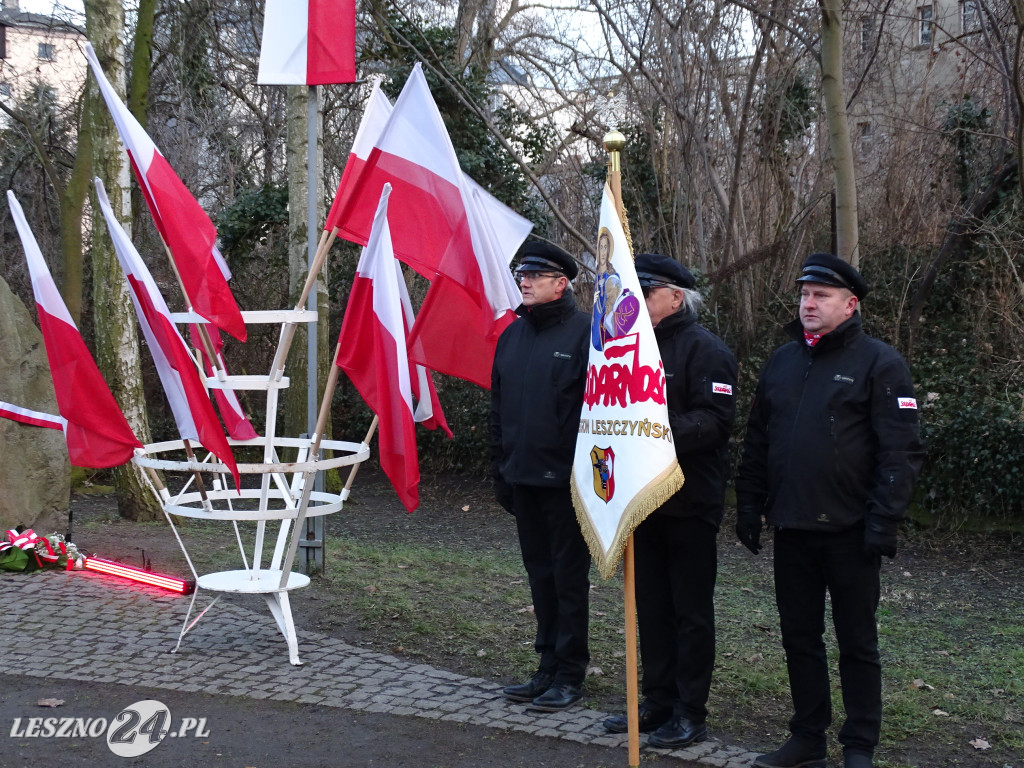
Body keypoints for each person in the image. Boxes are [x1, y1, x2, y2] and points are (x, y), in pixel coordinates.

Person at [734, 253, 925, 768]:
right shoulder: (782, 361)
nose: (808, 303)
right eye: (803, 294)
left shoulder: (880, 364)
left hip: (850, 532)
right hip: (792, 527)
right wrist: (749, 504)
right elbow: (757, 441)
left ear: (850, 304)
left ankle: (859, 744)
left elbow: (900, 453)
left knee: (857, 643)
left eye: (820, 295)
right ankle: (807, 737)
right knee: (800, 638)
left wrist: (883, 521)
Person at [601, 254, 738, 748]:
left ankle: (689, 710)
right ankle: (656, 701)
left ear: (675, 297)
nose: (634, 298)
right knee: (650, 608)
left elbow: (715, 422)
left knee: (690, 612)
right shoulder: (627, 347)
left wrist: (652, 430)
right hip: (641, 499)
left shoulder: (707, 350)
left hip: (689, 500)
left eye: (646, 289)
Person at [490, 240, 592, 712]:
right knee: (539, 577)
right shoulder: (512, 335)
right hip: (523, 477)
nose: (525, 282)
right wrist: (501, 470)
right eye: (522, 275)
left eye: (535, 276)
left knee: (568, 581)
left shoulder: (587, 335)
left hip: (567, 483)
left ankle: (571, 672)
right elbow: (499, 409)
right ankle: (546, 665)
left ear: (561, 283)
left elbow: (598, 416)